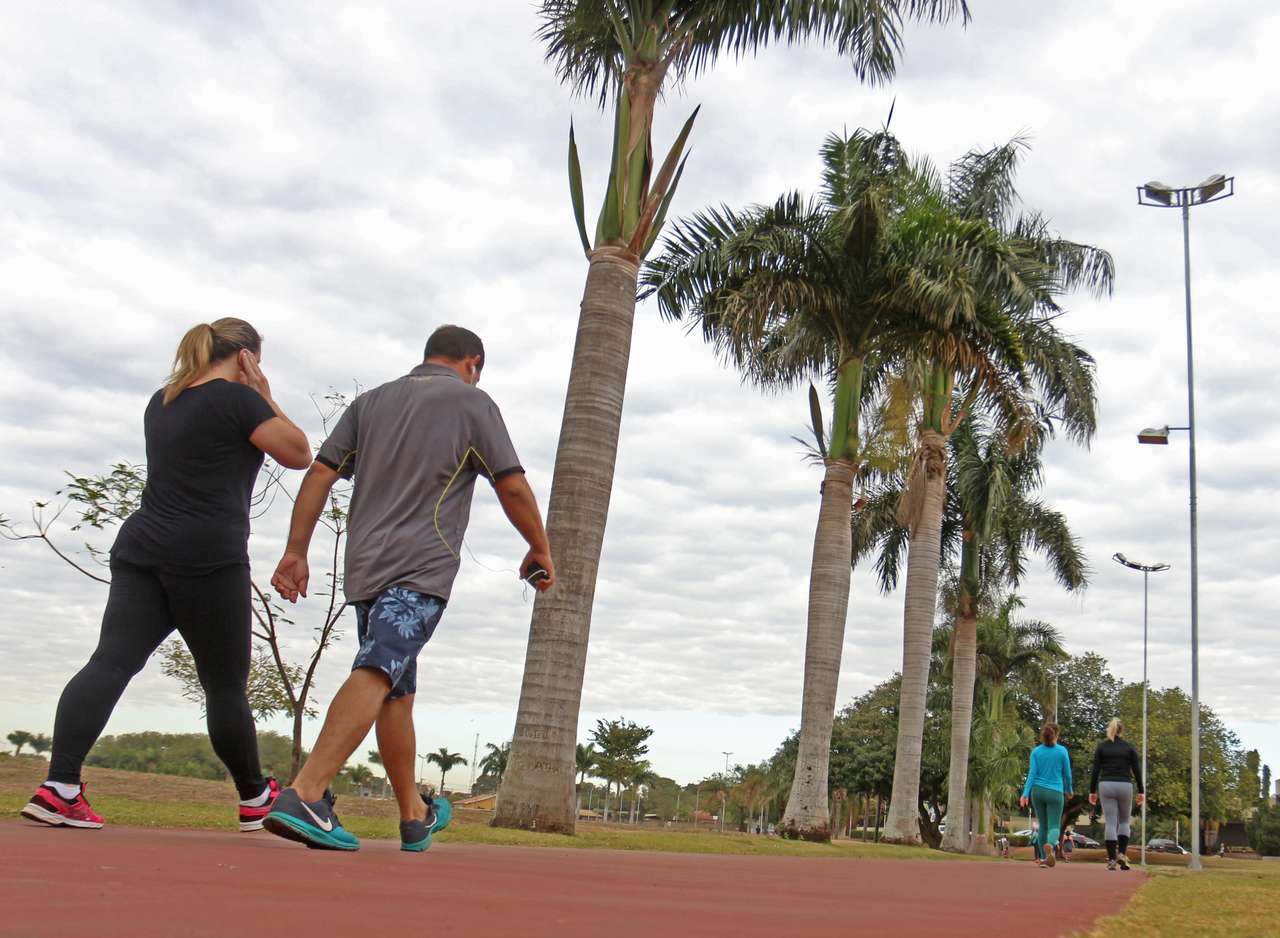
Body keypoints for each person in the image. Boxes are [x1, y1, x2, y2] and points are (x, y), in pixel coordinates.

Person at [263, 325, 553, 852]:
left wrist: (296, 550)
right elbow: (509, 482)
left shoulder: (368, 403)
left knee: (396, 687)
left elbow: (320, 475)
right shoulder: (473, 402)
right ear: (473, 363)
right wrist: (540, 546)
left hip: (365, 568)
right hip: (420, 567)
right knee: (378, 668)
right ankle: (306, 791)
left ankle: (414, 815)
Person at [21, 319, 312, 832]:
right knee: (224, 686)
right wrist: (266, 396)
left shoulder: (164, 399)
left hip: (141, 548)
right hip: (207, 554)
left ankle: (59, 786)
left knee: (109, 662)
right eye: (259, 363)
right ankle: (254, 798)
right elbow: (299, 453)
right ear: (246, 357)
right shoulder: (239, 400)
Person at [1089, 717, 1145, 871]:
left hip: (1106, 785)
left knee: (1111, 823)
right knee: (1124, 822)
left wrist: (1092, 791)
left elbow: (1095, 770)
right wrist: (1141, 791)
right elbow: (1137, 770)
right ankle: (1122, 854)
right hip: (1125, 785)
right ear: (1122, 731)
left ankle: (1112, 860)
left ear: (1110, 730)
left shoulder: (1102, 747)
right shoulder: (1129, 747)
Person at [1020, 722, 1072, 868]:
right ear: (1057, 735)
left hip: (1038, 791)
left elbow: (1032, 773)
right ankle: (1050, 845)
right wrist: (1069, 789)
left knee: (1043, 826)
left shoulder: (1036, 752)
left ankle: (1043, 859)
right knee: (1054, 825)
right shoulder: (1062, 751)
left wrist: (1025, 793)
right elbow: (1067, 774)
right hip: (1055, 791)